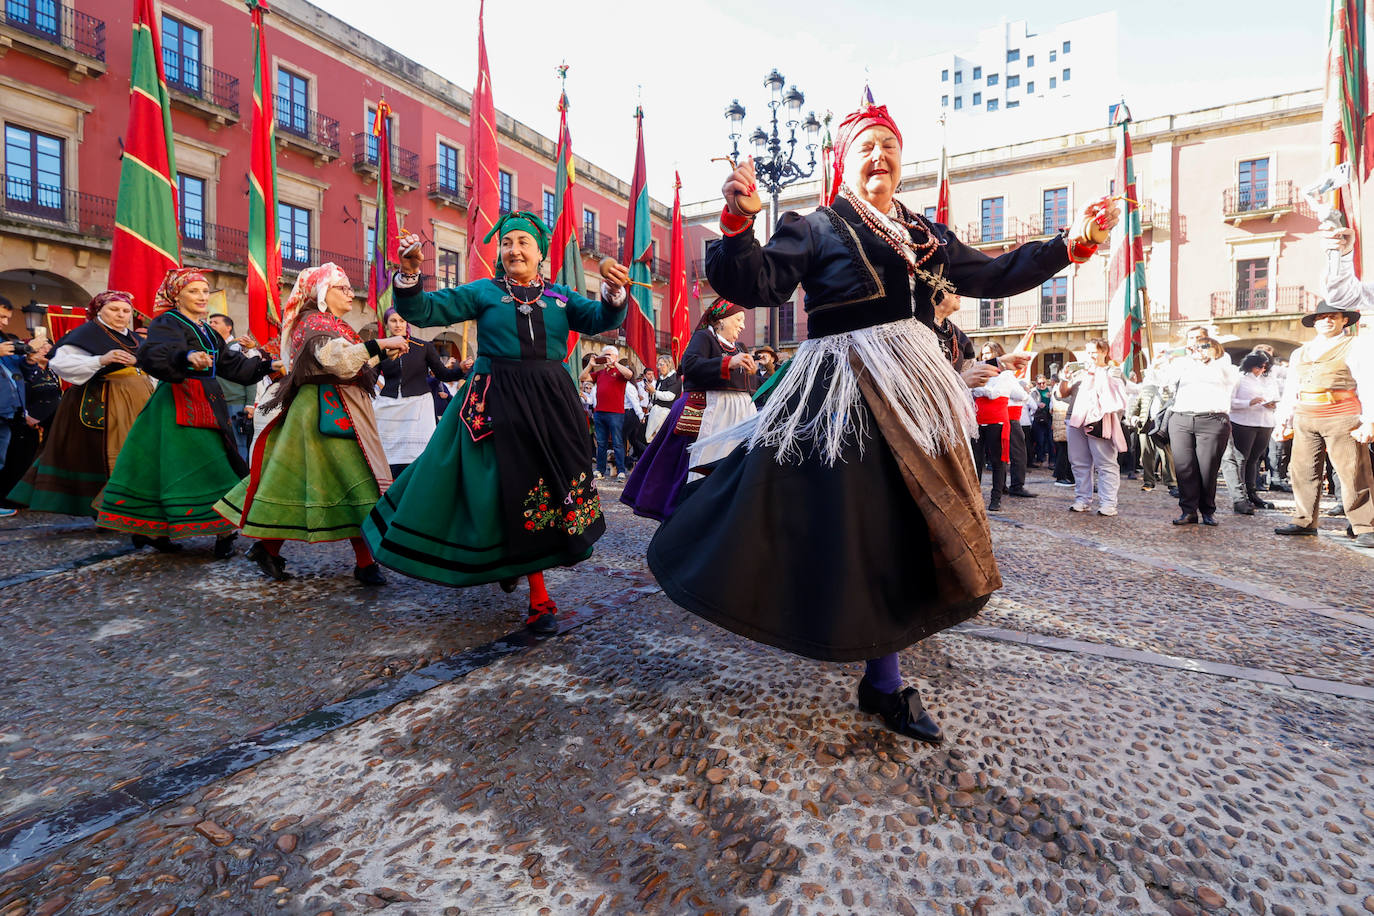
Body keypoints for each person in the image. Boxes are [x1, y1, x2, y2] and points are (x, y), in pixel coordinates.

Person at [648, 102, 1117, 744]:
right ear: (844, 161)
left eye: (889, 148)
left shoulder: (924, 233)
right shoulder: (815, 226)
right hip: (842, 397)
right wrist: (736, 223)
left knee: (902, 529)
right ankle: (880, 675)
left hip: (910, 396)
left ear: (902, 160)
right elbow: (756, 282)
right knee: (848, 529)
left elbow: (994, 273)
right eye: (866, 147)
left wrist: (1073, 243)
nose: (879, 157)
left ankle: (882, 676)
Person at [363, 213, 630, 633]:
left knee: (544, 490)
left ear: (541, 253)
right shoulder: (484, 292)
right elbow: (427, 309)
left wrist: (614, 292)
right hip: (492, 404)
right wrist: (410, 274)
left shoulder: (561, 298)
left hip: (550, 406)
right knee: (499, 487)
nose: (514, 250)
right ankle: (539, 599)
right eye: (506, 243)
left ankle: (518, 564)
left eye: (523, 242)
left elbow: (602, 320)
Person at [214, 264, 409, 584]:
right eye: (342, 288)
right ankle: (364, 564)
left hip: (343, 410)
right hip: (322, 412)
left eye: (349, 287)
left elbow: (352, 361)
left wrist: (381, 354)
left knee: (339, 483)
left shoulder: (336, 324)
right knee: (354, 481)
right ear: (322, 292)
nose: (350, 293)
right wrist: (379, 346)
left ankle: (274, 550)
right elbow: (335, 360)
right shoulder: (312, 322)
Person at [95, 269, 276, 556]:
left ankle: (157, 529)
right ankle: (219, 528)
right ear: (177, 296)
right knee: (199, 463)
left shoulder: (206, 329)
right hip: (180, 401)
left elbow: (230, 364)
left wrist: (266, 366)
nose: (203, 297)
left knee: (184, 464)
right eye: (194, 291)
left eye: (205, 292)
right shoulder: (167, 322)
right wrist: (186, 357)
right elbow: (153, 354)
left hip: (207, 399)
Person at [7, 291, 155, 517]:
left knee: (144, 452)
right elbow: (60, 363)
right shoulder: (86, 333)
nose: (121, 315)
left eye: (126, 311)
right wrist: (100, 360)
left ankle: (136, 508)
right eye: (114, 310)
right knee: (108, 454)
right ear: (99, 311)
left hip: (141, 400)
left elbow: (153, 368)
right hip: (105, 400)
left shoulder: (137, 339)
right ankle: (109, 509)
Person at [1273, 227, 1373, 546]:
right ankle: (1304, 520)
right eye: (1321, 316)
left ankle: (1364, 526)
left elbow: (1368, 383)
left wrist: (1369, 420)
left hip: (1343, 415)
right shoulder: (1301, 351)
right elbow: (1292, 388)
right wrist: (1283, 419)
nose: (1327, 320)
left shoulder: (1357, 346)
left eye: (1333, 316)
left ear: (1345, 320)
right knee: (1302, 471)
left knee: (1353, 472)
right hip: (1305, 415)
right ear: (1314, 322)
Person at [621, 298, 758, 520]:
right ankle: (694, 516)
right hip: (711, 413)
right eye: (739, 320)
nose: (742, 325)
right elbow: (690, 365)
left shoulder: (740, 347)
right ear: (722, 320)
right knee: (699, 466)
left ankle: (730, 515)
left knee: (736, 466)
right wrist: (728, 363)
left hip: (739, 415)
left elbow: (747, 384)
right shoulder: (705, 338)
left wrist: (752, 373)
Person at [373, 307, 469, 479]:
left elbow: (442, 374)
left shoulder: (423, 347)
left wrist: (460, 369)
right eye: (393, 321)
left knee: (418, 455)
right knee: (386, 455)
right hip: (388, 405)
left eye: (402, 320)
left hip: (418, 405)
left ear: (407, 322)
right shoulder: (381, 348)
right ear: (386, 323)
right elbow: (371, 378)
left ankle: (417, 485)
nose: (398, 324)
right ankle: (388, 488)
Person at [1161, 336, 1238, 526]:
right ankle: (1188, 511)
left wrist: (1210, 359)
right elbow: (1164, 380)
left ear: (1215, 349)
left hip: (1212, 420)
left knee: (1208, 469)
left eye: (1205, 347)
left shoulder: (1224, 364)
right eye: (1197, 347)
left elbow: (1230, 379)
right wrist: (1167, 360)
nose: (1200, 350)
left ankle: (1207, 511)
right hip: (1181, 418)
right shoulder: (1185, 365)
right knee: (1184, 467)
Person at [1057, 339, 1127, 516]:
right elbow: (1062, 394)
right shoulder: (1079, 372)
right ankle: (1082, 499)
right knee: (1079, 463)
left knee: (1106, 464)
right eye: (1087, 352)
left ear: (1104, 352)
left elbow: (1119, 396)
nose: (1090, 356)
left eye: (1094, 352)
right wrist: (1064, 378)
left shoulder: (1113, 371)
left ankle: (1108, 503)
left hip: (1101, 420)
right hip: (1075, 419)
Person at [1227, 351, 1279, 515]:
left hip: (1264, 422)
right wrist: (1248, 402)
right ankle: (1240, 496)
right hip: (1243, 422)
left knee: (1254, 460)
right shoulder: (1239, 378)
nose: (1261, 370)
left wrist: (1272, 404)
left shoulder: (1269, 380)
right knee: (1241, 459)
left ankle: (1252, 492)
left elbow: (1276, 397)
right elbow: (1229, 401)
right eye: (1259, 366)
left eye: (1265, 367)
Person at [207, 313, 260, 463]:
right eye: (210, 322)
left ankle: (242, 481)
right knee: (223, 444)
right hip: (218, 402)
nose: (211, 325)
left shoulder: (238, 347)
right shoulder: (215, 347)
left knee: (239, 444)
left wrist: (249, 404)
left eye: (215, 322)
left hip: (236, 404)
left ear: (228, 327)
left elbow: (251, 375)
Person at [581, 344, 632, 480]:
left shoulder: (620, 371)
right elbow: (582, 377)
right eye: (604, 355)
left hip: (616, 413)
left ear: (615, 357)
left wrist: (615, 363)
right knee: (601, 443)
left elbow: (629, 374)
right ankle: (600, 470)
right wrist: (591, 365)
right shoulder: (600, 373)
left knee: (617, 443)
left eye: (609, 355)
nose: (606, 358)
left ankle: (621, 471)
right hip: (599, 412)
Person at [971, 342, 1011, 511]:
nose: (986, 356)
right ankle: (974, 497)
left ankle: (996, 498)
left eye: (989, 353)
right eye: (984, 353)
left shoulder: (1006, 375)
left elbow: (994, 393)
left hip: (997, 422)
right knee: (976, 461)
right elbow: (973, 391)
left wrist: (982, 389)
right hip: (978, 421)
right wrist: (983, 390)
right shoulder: (980, 372)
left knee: (997, 462)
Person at [644, 354, 681, 442]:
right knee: (652, 438)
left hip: (665, 412)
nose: (659, 367)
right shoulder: (661, 379)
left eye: (661, 365)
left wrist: (654, 391)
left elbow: (670, 396)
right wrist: (651, 392)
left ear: (669, 365)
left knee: (660, 439)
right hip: (656, 412)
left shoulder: (674, 378)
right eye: (658, 365)